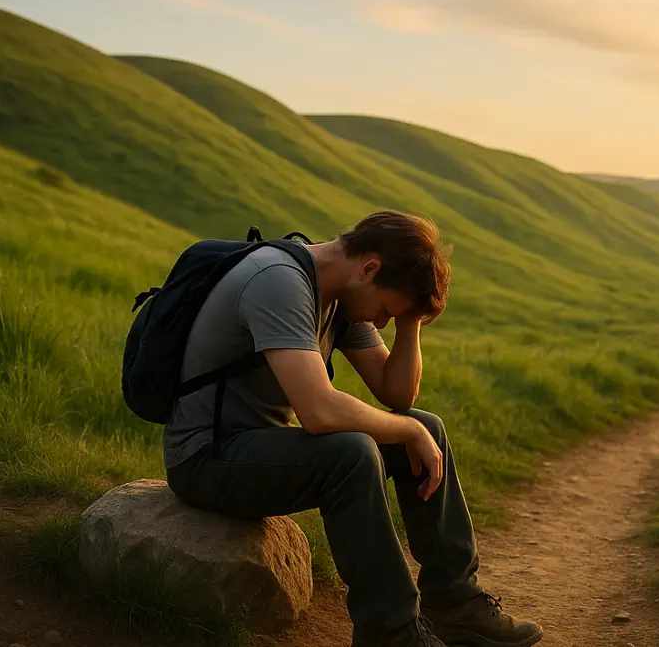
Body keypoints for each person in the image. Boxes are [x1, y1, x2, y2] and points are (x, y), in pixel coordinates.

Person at [162, 210, 543, 647]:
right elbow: (319, 411)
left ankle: (454, 603)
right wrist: (405, 432)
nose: (380, 321)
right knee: (354, 452)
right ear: (369, 268)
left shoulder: (343, 295)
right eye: (386, 310)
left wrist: (410, 318)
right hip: (206, 457)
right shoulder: (278, 281)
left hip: (261, 450)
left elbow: (398, 395)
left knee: (426, 427)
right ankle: (391, 631)